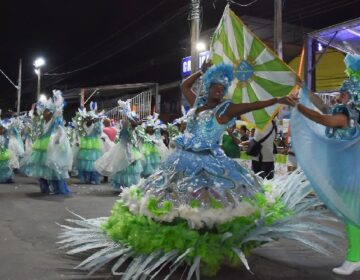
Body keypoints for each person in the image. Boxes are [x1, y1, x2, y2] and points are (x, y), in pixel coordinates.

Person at [59, 62, 338, 278]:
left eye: (221, 88)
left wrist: (277, 100)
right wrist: (200, 71)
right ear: (208, 87)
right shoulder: (196, 103)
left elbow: (254, 104)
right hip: (181, 159)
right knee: (175, 204)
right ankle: (180, 247)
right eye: (214, 86)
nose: (218, 91)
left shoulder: (227, 109)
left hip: (209, 162)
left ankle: (207, 248)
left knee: (207, 207)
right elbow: (184, 84)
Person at [289, 53, 360, 276]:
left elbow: (325, 120)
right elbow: (321, 106)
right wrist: (303, 87)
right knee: (353, 215)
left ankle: (354, 258)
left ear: (351, 94)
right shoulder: (347, 110)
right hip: (347, 172)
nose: (339, 94)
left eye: (343, 91)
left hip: (349, 176)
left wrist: (298, 107)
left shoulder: (346, 113)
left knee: (352, 217)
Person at [20, 90, 72, 194]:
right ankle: (44, 187)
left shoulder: (55, 120)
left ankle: (58, 188)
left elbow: (60, 130)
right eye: (43, 111)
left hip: (51, 145)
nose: (43, 113)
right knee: (41, 167)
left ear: (51, 112)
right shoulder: (42, 122)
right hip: (42, 145)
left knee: (52, 168)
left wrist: (57, 140)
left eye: (46, 111)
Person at [75, 102, 104, 185]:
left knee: (93, 163)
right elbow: (78, 133)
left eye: (91, 118)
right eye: (87, 118)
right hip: (84, 145)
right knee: (84, 163)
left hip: (94, 145)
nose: (89, 119)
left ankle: (93, 178)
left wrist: (98, 123)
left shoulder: (96, 125)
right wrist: (77, 141)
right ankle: (84, 178)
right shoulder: (82, 125)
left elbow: (99, 132)